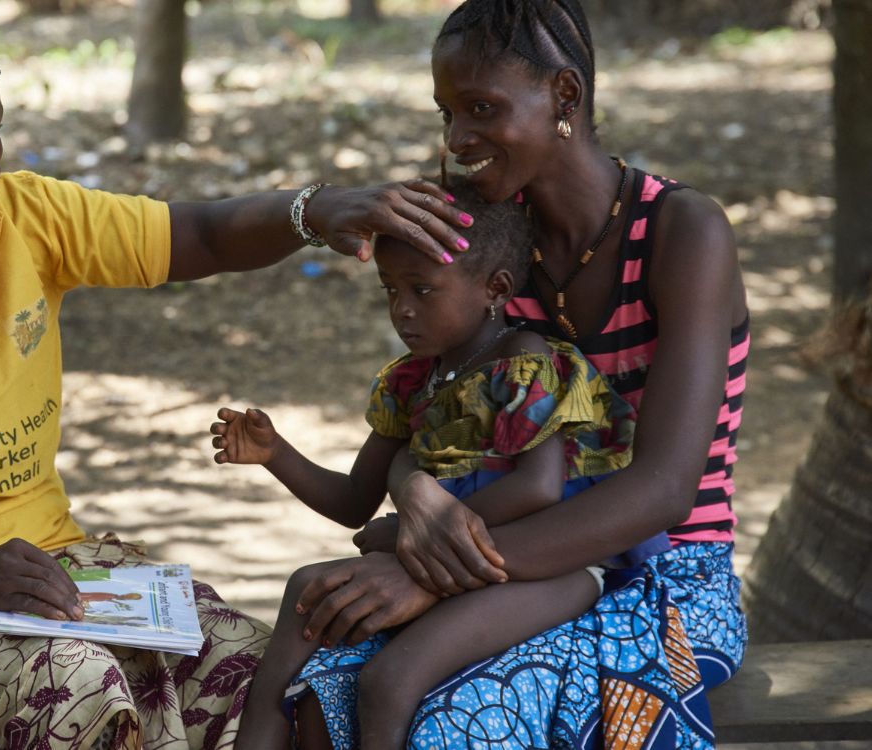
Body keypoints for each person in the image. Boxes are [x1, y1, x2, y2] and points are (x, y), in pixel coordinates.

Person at [0, 2, 464, 748]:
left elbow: (194, 234)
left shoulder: (23, 221)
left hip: (52, 576)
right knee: (74, 692)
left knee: (258, 674)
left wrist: (314, 210)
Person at [283, 1, 752, 748]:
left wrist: (432, 574)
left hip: (659, 576)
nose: (456, 140)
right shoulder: (494, 253)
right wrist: (412, 492)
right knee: (319, 696)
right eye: (445, 114)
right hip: (501, 559)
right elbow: (430, 417)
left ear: (563, 97)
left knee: (462, 722)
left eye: (480, 109)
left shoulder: (680, 232)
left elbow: (664, 489)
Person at [211, 178, 666, 750]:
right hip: (452, 557)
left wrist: (411, 534)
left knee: (391, 680)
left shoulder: (522, 361)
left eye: (423, 290)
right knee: (306, 589)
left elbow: (538, 489)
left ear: (494, 289)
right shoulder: (411, 380)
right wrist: (275, 455)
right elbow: (354, 500)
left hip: (545, 566)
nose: (402, 310)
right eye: (389, 290)